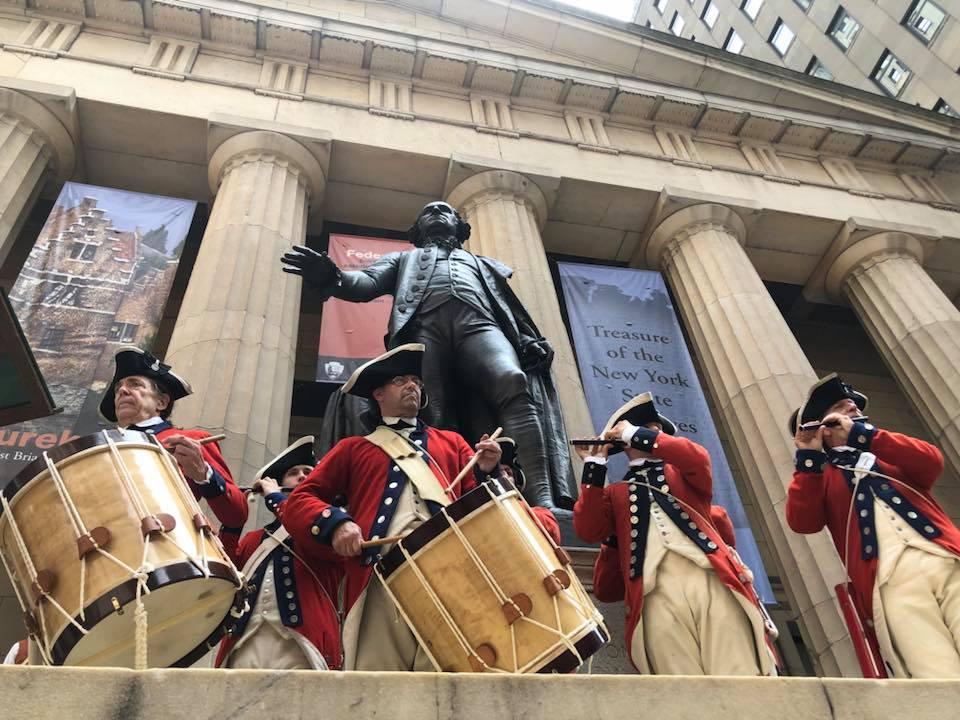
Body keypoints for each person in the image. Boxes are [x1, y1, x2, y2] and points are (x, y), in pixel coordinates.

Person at [280, 201, 574, 509]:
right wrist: (333, 277)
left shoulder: (482, 264)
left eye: (443, 211)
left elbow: (509, 310)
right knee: (431, 409)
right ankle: (448, 501)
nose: (435, 213)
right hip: (424, 329)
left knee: (513, 379)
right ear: (418, 230)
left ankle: (541, 499)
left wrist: (528, 339)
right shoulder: (404, 259)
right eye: (428, 212)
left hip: (479, 325)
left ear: (460, 227)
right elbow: (365, 283)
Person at [280, 343, 505, 671]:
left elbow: (479, 510)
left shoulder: (452, 443)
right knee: (379, 678)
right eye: (401, 380)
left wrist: (486, 471)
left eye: (416, 380)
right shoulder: (354, 449)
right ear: (378, 394)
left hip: (450, 568)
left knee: (452, 673)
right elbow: (300, 499)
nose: (413, 385)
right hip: (381, 571)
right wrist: (337, 524)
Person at [572, 392, 775, 676]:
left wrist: (633, 432)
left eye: (653, 430)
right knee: (680, 683)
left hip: (710, 579)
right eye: (648, 429)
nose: (653, 434)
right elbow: (587, 528)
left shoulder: (684, 475)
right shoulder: (615, 493)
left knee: (737, 670)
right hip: (653, 594)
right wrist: (594, 465)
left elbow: (695, 458)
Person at [786, 373, 960, 678]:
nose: (853, 410)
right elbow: (803, 521)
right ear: (823, 428)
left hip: (946, 560)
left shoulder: (887, 450)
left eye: (854, 406)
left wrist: (863, 436)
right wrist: (808, 458)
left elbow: (930, 460)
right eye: (843, 407)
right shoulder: (820, 477)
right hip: (888, 583)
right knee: (937, 676)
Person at [216, 437, 342, 670]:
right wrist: (234, 521)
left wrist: (276, 498)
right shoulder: (253, 539)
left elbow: (307, 529)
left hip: (305, 644)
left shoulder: (332, 529)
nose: (303, 476)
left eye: (308, 472)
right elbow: (227, 574)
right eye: (294, 473)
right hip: (245, 641)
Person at [99, 347, 247, 530]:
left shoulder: (191, 440)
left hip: (170, 546)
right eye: (118, 388)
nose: (122, 390)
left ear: (161, 402)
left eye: (135, 384)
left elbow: (237, 517)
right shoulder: (99, 453)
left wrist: (204, 475)